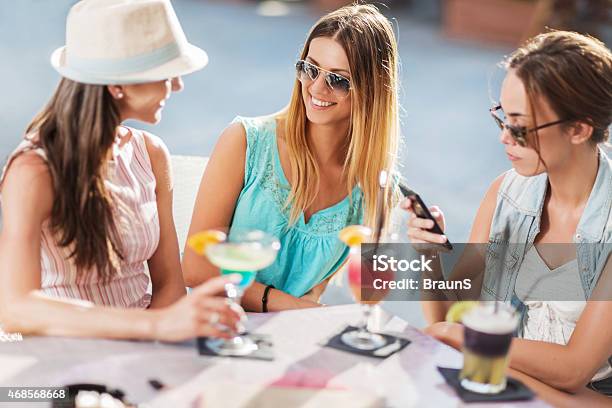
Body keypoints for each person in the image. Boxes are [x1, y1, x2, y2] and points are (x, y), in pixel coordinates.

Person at [0, 0, 242, 341]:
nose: (177, 86)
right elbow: (16, 309)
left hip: (144, 351)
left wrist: (156, 343)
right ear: (118, 85)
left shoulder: (151, 153)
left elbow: (170, 285)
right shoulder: (34, 170)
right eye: (165, 74)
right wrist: (154, 327)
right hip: (64, 359)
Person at [404, 30, 612, 395]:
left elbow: (572, 371)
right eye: (503, 118)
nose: (504, 137)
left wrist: (461, 337)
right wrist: (430, 257)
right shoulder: (506, 194)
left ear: (578, 129)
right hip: (503, 385)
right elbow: (450, 314)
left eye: (520, 127)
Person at [182, 4, 402, 312]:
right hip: (219, 325)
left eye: (338, 80)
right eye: (310, 68)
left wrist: (426, 250)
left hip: (291, 339)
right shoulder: (246, 141)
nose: (316, 87)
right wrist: (296, 309)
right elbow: (195, 268)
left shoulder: (377, 185)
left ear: (373, 91)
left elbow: (369, 294)